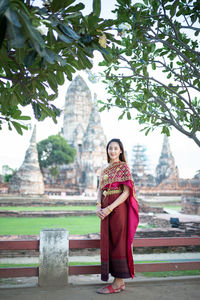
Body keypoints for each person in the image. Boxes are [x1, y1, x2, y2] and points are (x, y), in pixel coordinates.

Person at [96, 138, 139, 294]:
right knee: (108, 242)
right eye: (110, 148)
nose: (112, 151)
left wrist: (109, 208)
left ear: (121, 150)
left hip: (118, 210)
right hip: (105, 209)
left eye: (115, 148)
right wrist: (98, 206)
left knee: (119, 243)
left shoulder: (124, 168)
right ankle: (118, 282)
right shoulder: (105, 170)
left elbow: (126, 192)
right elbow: (100, 190)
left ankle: (118, 282)